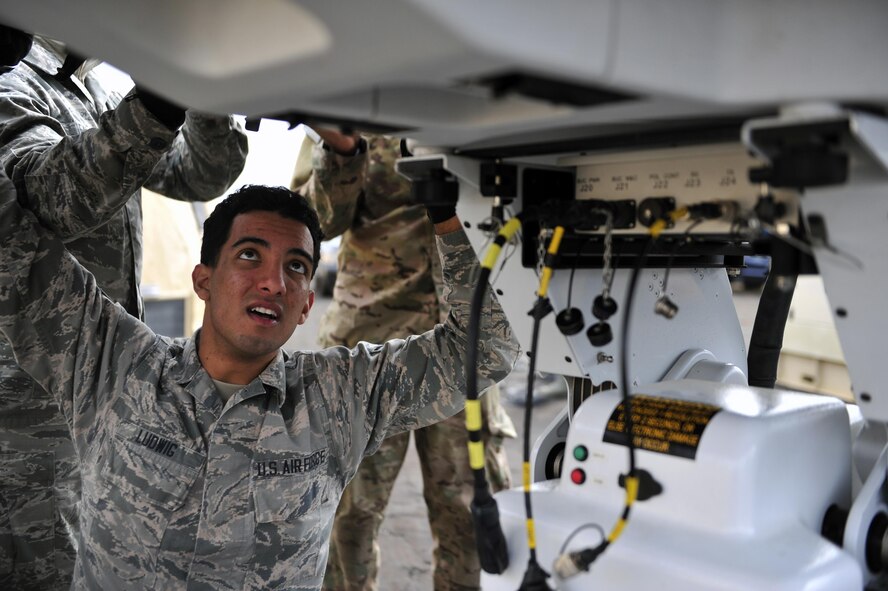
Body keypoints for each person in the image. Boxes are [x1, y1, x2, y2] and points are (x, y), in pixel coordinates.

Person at [0, 176, 520, 590]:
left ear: (306, 306)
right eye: (250, 255)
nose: (274, 282)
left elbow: (485, 349)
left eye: (296, 267)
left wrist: (450, 221)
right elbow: (13, 249)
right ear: (204, 280)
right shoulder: (114, 363)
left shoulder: (338, 397)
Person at [0, 30, 248, 589]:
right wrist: (159, 100)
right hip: (30, 407)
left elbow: (201, 173)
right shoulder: (10, 78)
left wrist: (198, 88)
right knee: (40, 565)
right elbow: (53, 198)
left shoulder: (97, 90)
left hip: (97, 388)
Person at [293, 130, 516, 591]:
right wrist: (343, 148)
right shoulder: (350, 113)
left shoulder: (482, 109)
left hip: (469, 339)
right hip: (367, 345)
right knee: (348, 515)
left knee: (472, 513)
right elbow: (312, 223)